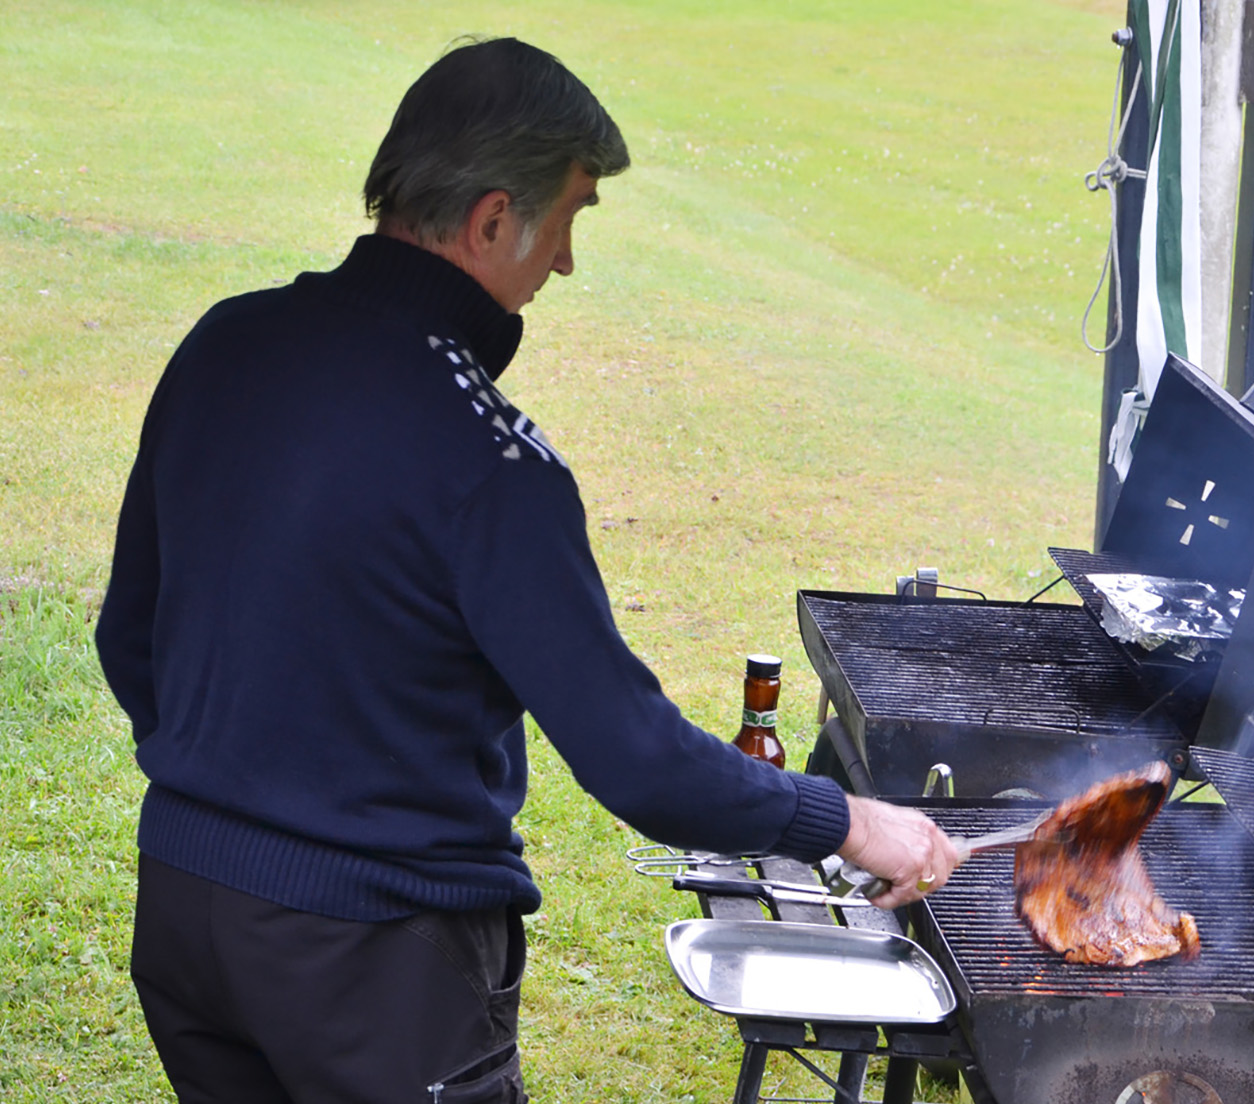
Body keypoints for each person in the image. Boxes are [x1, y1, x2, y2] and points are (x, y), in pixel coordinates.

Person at [95, 36, 958, 1104]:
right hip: (373, 962)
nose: (564, 263)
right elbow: (635, 760)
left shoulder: (228, 344)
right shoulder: (491, 464)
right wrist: (850, 820)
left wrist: (231, 800)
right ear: (493, 218)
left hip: (185, 911)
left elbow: (128, 634)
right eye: (569, 220)